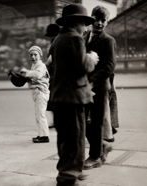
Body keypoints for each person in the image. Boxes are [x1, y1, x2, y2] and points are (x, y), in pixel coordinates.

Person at [49, 3, 99, 186]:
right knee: (75, 140)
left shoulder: (57, 40)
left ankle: (68, 172)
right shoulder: (75, 39)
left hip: (60, 98)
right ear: (76, 22)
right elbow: (82, 67)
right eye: (84, 23)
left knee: (65, 140)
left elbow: (55, 65)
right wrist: (91, 59)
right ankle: (69, 178)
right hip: (73, 99)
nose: (85, 28)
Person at [83, 5, 118, 170]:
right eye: (96, 19)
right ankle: (102, 146)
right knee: (81, 120)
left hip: (99, 87)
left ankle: (95, 156)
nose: (99, 23)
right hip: (83, 87)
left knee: (96, 122)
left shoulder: (108, 40)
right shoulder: (84, 37)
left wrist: (92, 82)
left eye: (103, 20)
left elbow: (109, 66)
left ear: (107, 21)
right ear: (91, 20)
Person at [20, 46, 50, 143]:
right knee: (38, 115)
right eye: (31, 55)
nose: (33, 57)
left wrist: (27, 73)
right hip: (38, 92)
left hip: (41, 92)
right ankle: (41, 134)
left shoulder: (40, 65)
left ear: (40, 55)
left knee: (40, 115)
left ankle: (44, 136)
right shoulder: (34, 65)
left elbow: (38, 75)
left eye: (35, 55)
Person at [44, 24, 60, 128]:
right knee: (51, 100)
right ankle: (56, 121)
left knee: (54, 99)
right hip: (52, 74)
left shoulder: (57, 42)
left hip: (56, 75)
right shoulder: (54, 42)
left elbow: (50, 60)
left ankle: (57, 121)